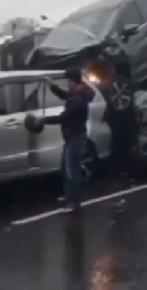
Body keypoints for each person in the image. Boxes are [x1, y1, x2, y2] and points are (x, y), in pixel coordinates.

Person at [42, 68, 94, 214]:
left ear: (75, 81)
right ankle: (68, 197)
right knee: (66, 169)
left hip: (76, 139)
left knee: (73, 172)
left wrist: (43, 120)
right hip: (71, 138)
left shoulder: (79, 101)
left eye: (69, 81)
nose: (68, 84)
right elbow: (65, 95)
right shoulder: (76, 95)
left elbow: (63, 117)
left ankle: (74, 203)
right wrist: (52, 87)